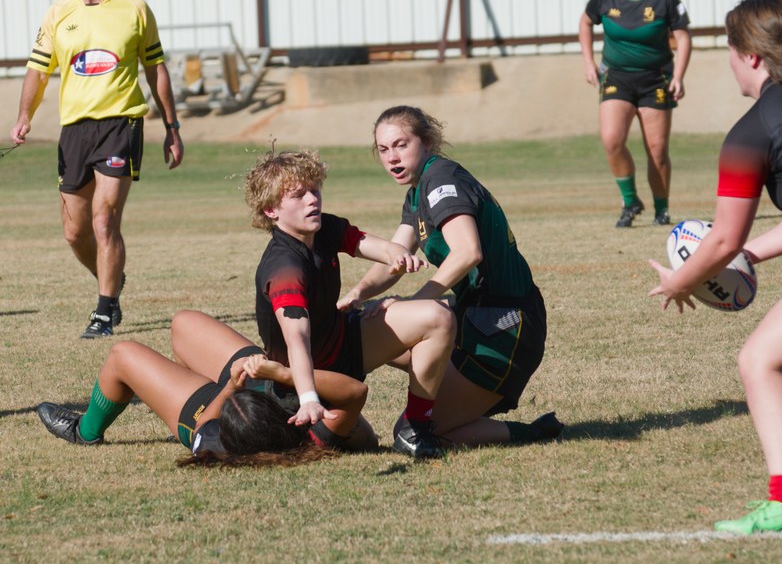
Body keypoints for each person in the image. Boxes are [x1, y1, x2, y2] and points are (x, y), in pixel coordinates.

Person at [649, 0, 782, 534]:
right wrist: (752, 253)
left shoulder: (751, 133)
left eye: (731, 50)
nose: (731, 61)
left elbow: (720, 241)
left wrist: (679, 283)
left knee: (762, 363)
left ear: (753, 56)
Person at [337, 105, 561, 449]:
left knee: (411, 434)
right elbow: (394, 257)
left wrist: (415, 303)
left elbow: (468, 252)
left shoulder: (441, 180)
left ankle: (530, 433)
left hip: (504, 327)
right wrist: (357, 293)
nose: (392, 158)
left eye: (401, 145)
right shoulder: (418, 190)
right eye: (383, 149)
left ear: (427, 142)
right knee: (362, 326)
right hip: (473, 316)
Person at [245, 148, 456, 458]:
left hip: (343, 343)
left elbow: (363, 243)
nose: (312, 199)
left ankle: (416, 425)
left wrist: (395, 255)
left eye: (314, 190)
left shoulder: (323, 228)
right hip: (311, 379)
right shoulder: (284, 268)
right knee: (365, 442)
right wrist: (307, 397)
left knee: (439, 316)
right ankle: (311, 428)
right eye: (299, 195)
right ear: (271, 211)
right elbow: (297, 341)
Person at [9, 0, 184, 338]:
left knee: (104, 221)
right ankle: (112, 279)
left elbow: (155, 68)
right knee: (76, 232)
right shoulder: (58, 13)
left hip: (121, 124)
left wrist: (172, 127)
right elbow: (38, 71)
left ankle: (103, 312)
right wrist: (25, 115)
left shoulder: (135, 8)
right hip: (74, 129)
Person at [36, 310, 379, 466]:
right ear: (283, 417)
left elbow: (205, 425)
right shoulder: (315, 433)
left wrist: (230, 386)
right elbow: (355, 393)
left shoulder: (216, 440)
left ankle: (86, 431)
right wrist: (284, 374)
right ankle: (210, 380)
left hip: (207, 408)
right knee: (183, 324)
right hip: (260, 385)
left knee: (122, 355)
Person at [579, 0, 691, 228]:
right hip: (616, 78)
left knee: (657, 150)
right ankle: (630, 201)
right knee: (612, 140)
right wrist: (588, 62)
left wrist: (680, 76)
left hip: (656, 80)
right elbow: (585, 22)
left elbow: (683, 38)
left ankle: (661, 210)